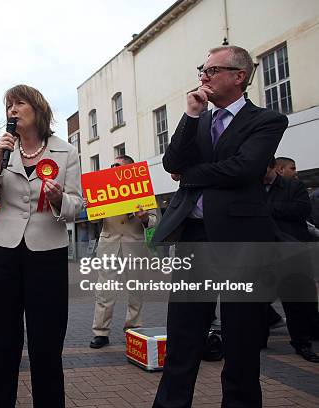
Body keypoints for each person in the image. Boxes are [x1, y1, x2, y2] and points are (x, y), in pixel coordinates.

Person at [151, 45, 288, 407]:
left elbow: (243, 168)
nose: (203, 76)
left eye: (211, 70)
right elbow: (172, 162)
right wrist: (191, 114)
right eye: (202, 69)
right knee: (182, 336)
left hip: (242, 242)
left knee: (242, 339)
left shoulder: (266, 120)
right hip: (195, 238)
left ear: (238, 76)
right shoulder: (200, 120)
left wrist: (192, 176)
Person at [0, 84, 83, 407]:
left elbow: (77, 205)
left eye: (19, 103)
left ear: (37, 109)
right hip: (3, 252)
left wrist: (58, 199)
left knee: (46, 343)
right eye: (8, 105)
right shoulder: (2, 152)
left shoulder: (66, 152)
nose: (12, 110)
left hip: (47, 253)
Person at [89, 155, 157, 349]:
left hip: (134, 245)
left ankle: (133, 328)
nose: (112, 167)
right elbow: (94, 220)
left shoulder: (141, 189)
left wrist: (144, 218)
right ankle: (101, 332)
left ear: (130, 169)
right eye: (111, 164)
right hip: (109, 245)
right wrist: (91, 207)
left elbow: (153, 220)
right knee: (105, 290)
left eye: (117, 165)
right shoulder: (103, 187)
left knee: (135, 291)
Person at [262, 158, 319, 362]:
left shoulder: (293, 186)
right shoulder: (252, 188)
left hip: (292, 251)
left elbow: (301, 211)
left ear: (273, 168)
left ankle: (302, 343)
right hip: (264, 253)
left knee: (295, 302)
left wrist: (268, 210)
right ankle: (260, 339)